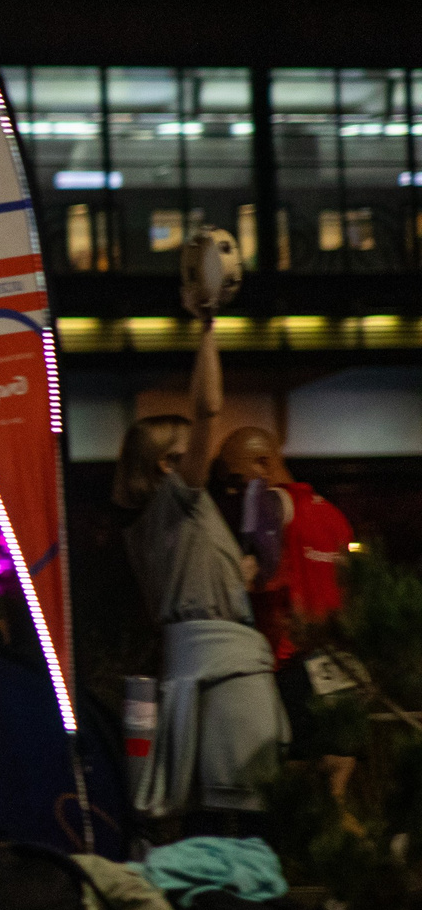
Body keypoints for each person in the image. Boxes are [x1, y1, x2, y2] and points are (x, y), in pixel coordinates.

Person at [110, 324, 288, 818]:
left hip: (192, 664)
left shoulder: (150, 525)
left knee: (210, 810)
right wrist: (207, 324)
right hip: (227, 668)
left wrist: (239, 572)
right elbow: (208, 406)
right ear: (168, 465)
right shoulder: (179, 502)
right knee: (244, 803)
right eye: (191, 452)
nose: (205, 459)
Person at [215, 426, 356, 670]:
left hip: (286, 661)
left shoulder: (271, 501)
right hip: (336, 661)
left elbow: (258, 570)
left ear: (263, 464)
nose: (233, 493)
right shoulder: (335, 517)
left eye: (237, 482)